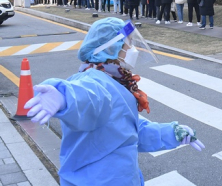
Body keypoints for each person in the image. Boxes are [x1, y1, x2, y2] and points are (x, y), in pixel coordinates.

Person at [23, 17, 205, 185]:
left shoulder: (113, 81)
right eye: (128, 45)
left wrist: (172, 133)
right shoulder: (95, 82)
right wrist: (64, 96)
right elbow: (87, 97)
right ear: (110, 48)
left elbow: (127, 132)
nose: (132, 50)